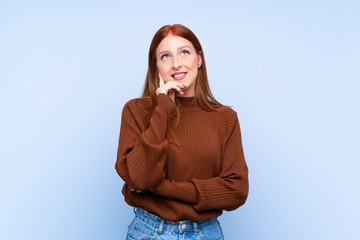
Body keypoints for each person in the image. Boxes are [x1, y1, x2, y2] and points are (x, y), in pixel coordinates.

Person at [115, 24, 249, 239]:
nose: (176, 64)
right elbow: (140, 180)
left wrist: (161, 187)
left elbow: (236, 191)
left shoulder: (226, 118)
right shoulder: (136, 111)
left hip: (206, 233)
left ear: (199, 59)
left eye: (184, 52)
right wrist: (163, 108)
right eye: (166, 56)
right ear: (156, 67)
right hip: (150, 231)